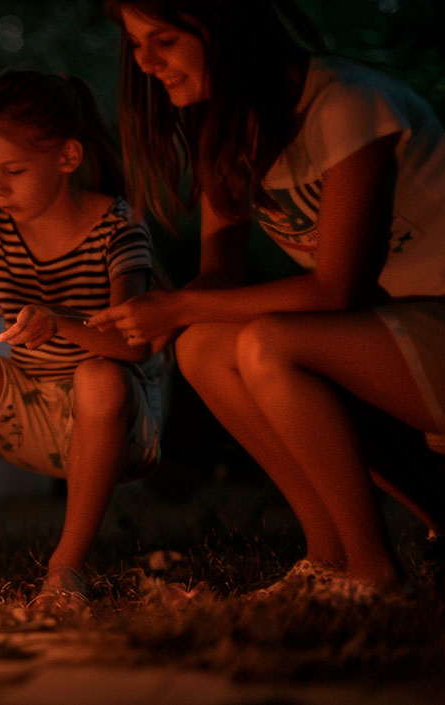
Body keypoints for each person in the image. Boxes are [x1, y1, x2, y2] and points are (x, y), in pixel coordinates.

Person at [92, 0, 445, 596]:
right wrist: (143, 322)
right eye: (135, 44)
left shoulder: (347, 103)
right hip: (392, 339)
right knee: (203, 348)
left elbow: (336, 290)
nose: (146, 61)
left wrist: (179, 307)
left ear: (225, 28)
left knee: (268, 342)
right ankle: (327, 554)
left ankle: (372, 569)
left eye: (165, 40)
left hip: (430, 322)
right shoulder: (227, 131)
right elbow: (218, 281)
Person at [0, 71, 167, 613]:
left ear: (68, 157)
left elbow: (134, 347)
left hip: (118, 423)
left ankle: (66, 567)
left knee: (98, 374)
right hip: (29, 420)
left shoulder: (119, 229)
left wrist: (59, 322)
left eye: (13, 171)